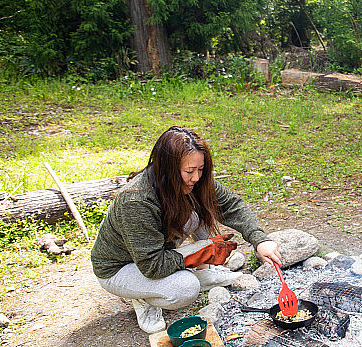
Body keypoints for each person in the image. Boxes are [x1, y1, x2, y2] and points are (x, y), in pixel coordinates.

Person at [90, 126, 282, 333]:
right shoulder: (137, 201)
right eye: (190, 171)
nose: (197, 177)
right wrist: (201, 252)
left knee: (198, 210)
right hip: (123, 267)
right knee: (185, 288)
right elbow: (152, 266)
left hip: (157, 252)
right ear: (167, 169)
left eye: (200, 169)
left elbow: (230, 204)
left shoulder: (191, 181)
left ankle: (205, 273)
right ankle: (144, 298)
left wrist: (260, 239)